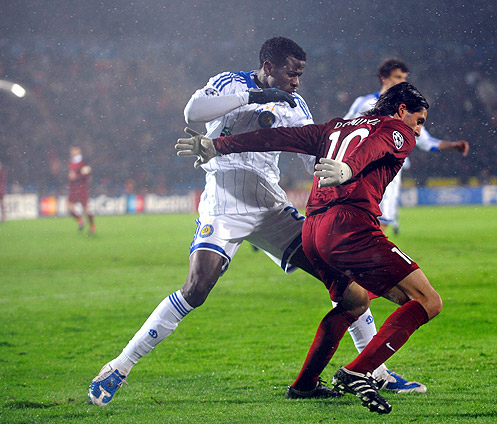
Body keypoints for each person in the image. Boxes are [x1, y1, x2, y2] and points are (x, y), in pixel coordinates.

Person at [89, 36, 409, 406]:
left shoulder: (295, 104)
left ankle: (375, 372)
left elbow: (311, 156)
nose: (296, 82)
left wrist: (345, 169)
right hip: (223, 205)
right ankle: (119, 367)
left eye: (300, 75)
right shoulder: (230, 83)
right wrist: (254, 97)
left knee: (347, 284)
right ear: (268, 67)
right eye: (291, 74)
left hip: (271, 208)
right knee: (196, 288)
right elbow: (193, 112)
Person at [177, 82, 442, 414]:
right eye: (419, 121)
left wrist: (218, 145)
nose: (418, 130)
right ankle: (359, 371)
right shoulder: (395, 128)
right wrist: (349, 169)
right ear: (402, 110)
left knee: (354, 301)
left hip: (313, 230)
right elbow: (375, 146)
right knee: (427, 301)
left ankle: (305, 385)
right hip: (350, 227)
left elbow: (278, 138)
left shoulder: (336, 127)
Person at [345, 58, 469, 233]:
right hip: (363, 170)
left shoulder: (407, 111)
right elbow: (343, 129)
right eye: (398, 77)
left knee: (380, 223)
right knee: (363, 223)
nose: (402, 81)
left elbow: (426, 142)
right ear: (384, 78)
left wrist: (453, 145)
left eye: (404, 78)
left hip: (390, 174)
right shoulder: (364, 103)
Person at [68, 146, 95, 234]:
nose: (73, 151)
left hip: (81, 187)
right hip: (73, 187)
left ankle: (92, 226)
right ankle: (80, 220)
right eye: (72, 150)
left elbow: (87, 173)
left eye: (75, 150)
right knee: (69, 208)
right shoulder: (71, 162)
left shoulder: (83, 162)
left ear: (78, 151)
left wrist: (77, 176)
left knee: (85, 208)